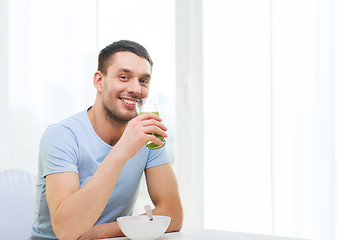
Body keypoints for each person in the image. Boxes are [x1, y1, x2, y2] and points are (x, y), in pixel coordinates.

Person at [31, 40, 183, 240]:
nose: (135, 89)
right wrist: (121, 151)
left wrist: (103, 232)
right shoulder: (61, 136)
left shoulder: (147, 135)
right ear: (99, 81)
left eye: (144, 80)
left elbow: (173, 214)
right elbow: (67, 231)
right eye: (124, 77)